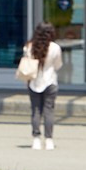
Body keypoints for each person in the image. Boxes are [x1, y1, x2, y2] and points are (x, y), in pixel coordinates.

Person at [19, 21, 63, 151]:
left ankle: (36, 139)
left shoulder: (29, 47)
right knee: (49, 111)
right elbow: (58, 65)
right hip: (50, 82)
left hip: (33, 82)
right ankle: (49, 140)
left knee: (36, 111)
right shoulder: (55, 48)